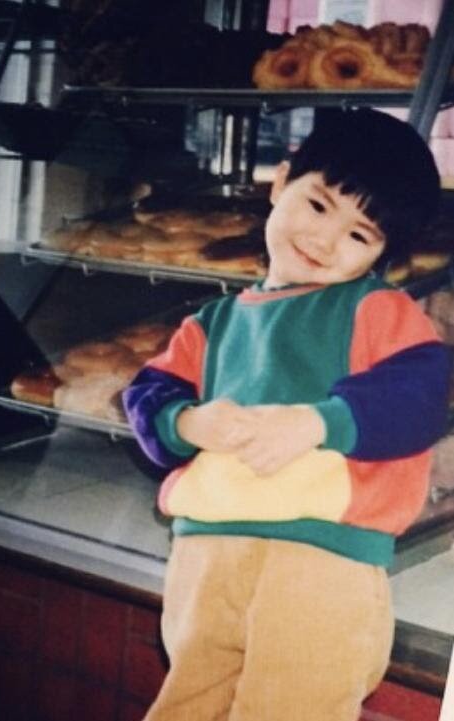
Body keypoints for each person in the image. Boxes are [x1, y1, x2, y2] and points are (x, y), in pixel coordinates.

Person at [122, 108, 451, 721]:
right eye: (319, 205)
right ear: (280, 183)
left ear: (383, 255)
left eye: (360, 235)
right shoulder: (210, 323)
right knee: (188, 701)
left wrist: (319, 422)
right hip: (207, 557)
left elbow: (423, 394)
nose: (325, 239)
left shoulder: (378, 310)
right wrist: (187, 423)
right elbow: (147, 397)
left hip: (322, 561)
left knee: (294, 707)